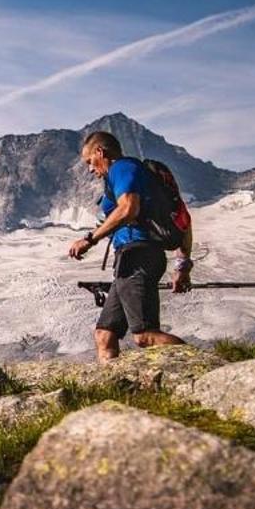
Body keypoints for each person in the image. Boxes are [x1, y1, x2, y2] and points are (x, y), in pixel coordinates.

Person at [65, 132, 189, 362]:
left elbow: (128, 208)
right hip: (131, 259)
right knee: (105, 335)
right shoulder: (137, 174)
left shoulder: (121, 168)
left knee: (145, 335)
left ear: (100, 152)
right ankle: (116, 389)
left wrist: (89, 240)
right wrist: (183, 265)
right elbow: (183, 221)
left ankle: (205, 372)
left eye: (89, 162)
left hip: (138, 256)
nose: (90, 170)